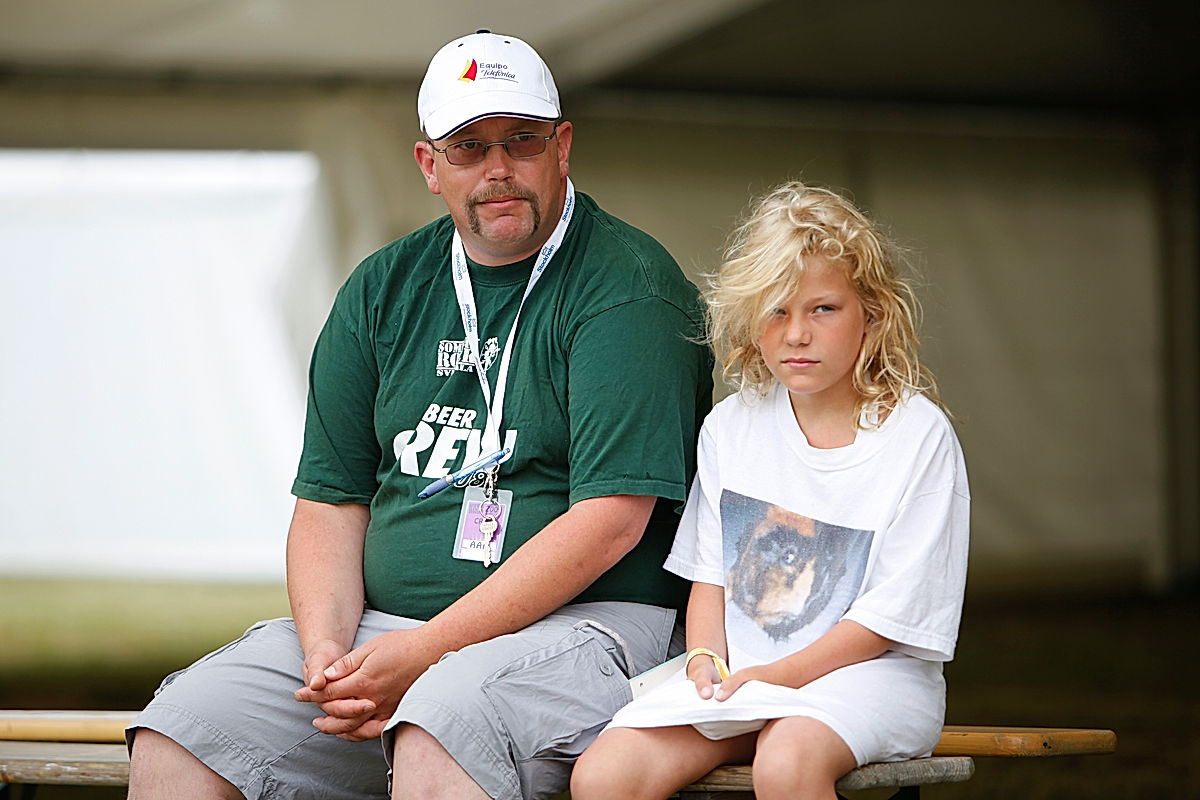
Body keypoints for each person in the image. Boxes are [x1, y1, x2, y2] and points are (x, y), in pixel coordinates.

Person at [125, 30, 712, 800]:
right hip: (393, 635)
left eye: (521, 141)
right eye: (468, 147)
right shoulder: (382, 289)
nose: (499, 168)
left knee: (440, 722)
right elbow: (332, 500)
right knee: (183, 728)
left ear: (562, 147)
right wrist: (327, 656)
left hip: (591, 629)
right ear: (429, 166)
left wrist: (427, 653)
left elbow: (612, 520)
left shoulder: (627, 288)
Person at [570, 181, 969, 800]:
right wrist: (704, 660)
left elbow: (888, 620)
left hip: (870, 679)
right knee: (602, 775)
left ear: (873, 311)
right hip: (745, 683)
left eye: (823, 309)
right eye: (775, 310)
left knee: (784, 762)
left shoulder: (918, 436)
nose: (796, 334)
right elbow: (711, 578)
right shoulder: (732, 426)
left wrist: (774, 678)